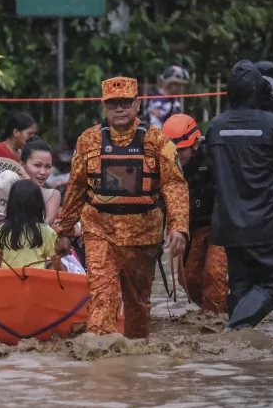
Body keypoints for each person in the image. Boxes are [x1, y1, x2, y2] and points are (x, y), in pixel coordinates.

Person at [55, 76, 189, 338]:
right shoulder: (88, 141)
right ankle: (101, 356)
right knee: (102, 297)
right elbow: (76, 188)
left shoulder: (157, 142)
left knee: (138, 304)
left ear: (137, 104)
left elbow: (174, 185)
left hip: (144, 236)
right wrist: (65, 231)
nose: (119, 108)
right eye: (112, 103)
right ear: (104, 106)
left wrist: (179, 227)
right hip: (100, 232)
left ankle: (135, 357)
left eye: (125, 102)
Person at [205, 59, 273, 330]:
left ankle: (240, 354)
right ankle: (234, 331)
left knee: (241, 284)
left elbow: (212, 168)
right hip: (270, 222)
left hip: (231, 223)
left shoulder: (215, 126)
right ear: (260, 90)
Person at [161, 114, 228, 315]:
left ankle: (216, 321)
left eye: (182, 150)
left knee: (214, 275)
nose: (177, 155)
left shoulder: (215, 156)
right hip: (190, 228)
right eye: (173, 151)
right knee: (188, 280)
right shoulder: (162, 163)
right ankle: (215, 312)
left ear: (196, 144)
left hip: (219, 225)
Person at [0, 179, 58, 270]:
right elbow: (56, 262)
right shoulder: (46, 231)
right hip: (35, 278)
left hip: (7, 278)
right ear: (39, 204)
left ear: (11, 203)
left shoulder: (1, 229)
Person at [20, 138, 62, 225]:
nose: (43, 172)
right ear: (22, 165)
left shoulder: (52, 195)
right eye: (37, 165)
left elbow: (45, 225)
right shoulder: (6, 187)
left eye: (48, 167)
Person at [146, 65, 190, 129]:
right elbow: (156, 126)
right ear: (169, 83)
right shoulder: (157, 102)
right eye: (178, 84)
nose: (181, 88)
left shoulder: (173, 99)